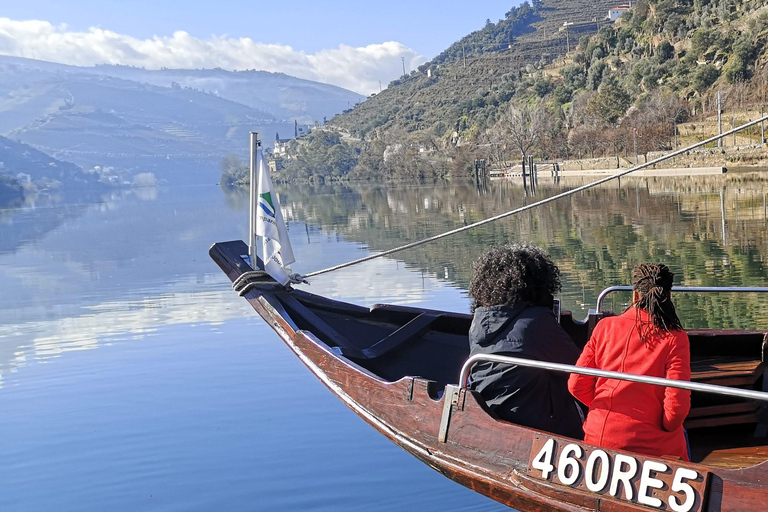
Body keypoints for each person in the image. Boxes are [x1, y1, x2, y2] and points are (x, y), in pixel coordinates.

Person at [568, 263, 691, 461]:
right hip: (651, 448)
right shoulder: (675, 337)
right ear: (669, 296)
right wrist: (664, 424)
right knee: (682, 435)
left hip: (599, 438)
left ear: (635, 295)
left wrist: (607, 408)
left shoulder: (605, 327)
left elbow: (576, 385)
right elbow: (676, 410)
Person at [467, 244, 584, 439]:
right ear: (539, 284)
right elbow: (579, 370)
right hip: (537, 427)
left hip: (493, 416)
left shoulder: (478, 322)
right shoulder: (536, 322)